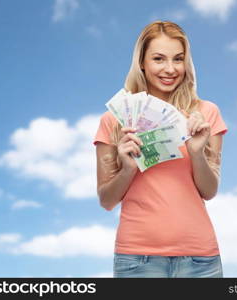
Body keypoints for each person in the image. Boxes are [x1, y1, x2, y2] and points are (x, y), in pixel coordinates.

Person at [93, 20, 228, 278]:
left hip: (201, 260)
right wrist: (127, 169)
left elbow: (209, 191)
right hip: (137, 260)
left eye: (178, 59)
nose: (170, 69)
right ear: (141, 62)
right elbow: (106, 200)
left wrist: (197, 152)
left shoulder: (206, 113)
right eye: (158, 59)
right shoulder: (114, 120)